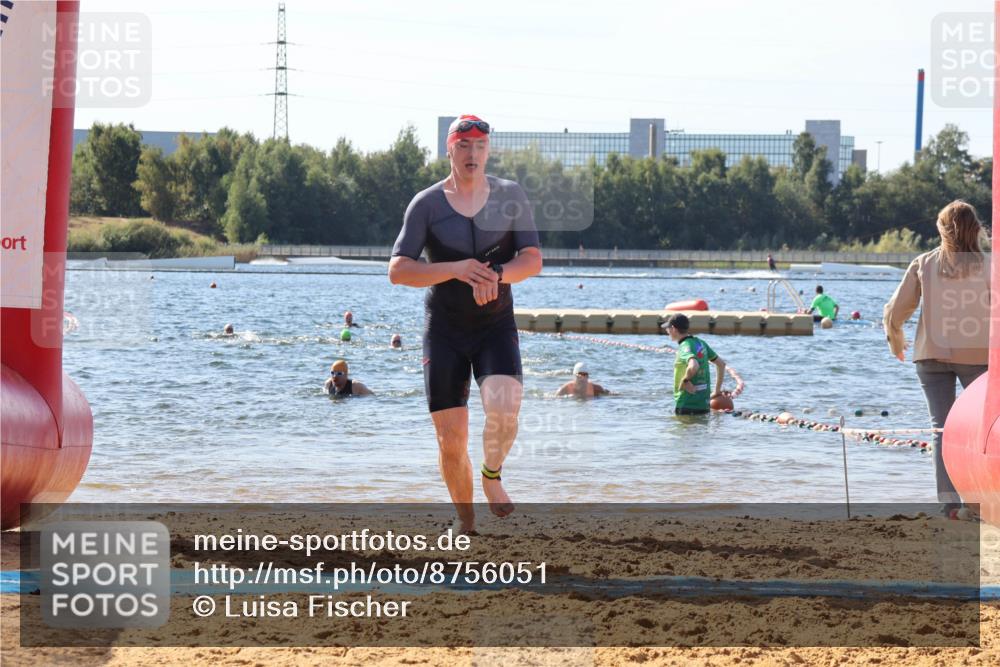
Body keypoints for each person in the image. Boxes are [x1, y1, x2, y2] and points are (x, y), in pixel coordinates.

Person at [388, 114, 543, 533]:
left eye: (479, 147)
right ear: (449, 150)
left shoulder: (511, 196)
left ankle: (492, 475)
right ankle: (466, 520)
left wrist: (498, 275)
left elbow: (532, 258)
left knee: (505, 409)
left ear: (488, 150)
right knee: (452, 441)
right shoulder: (428, 204)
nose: (472, 154)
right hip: (445, 331)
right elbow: (399, 270)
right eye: (463, 146)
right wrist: (457, 269)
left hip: (494, 325)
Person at [883, 200, 990, 518]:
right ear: (976, 230)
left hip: (930, 355)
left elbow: (896, 309)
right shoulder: (989, 266)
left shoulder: (924, 263)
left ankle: (950, 504)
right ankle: (979, 499)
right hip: (978, 356)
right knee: (979, 431)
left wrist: (895, 340)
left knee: (940, 429)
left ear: (942, 230)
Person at [663, 314, 726, 415]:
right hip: (704, 405)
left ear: (673, 328)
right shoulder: (701, 343)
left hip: (687, 404)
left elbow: (694, 365)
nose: (667, 331)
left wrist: (685, 380)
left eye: (668, 328)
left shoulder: (685, 346)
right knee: (700, 430)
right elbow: (721, 364)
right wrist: (717, 391)